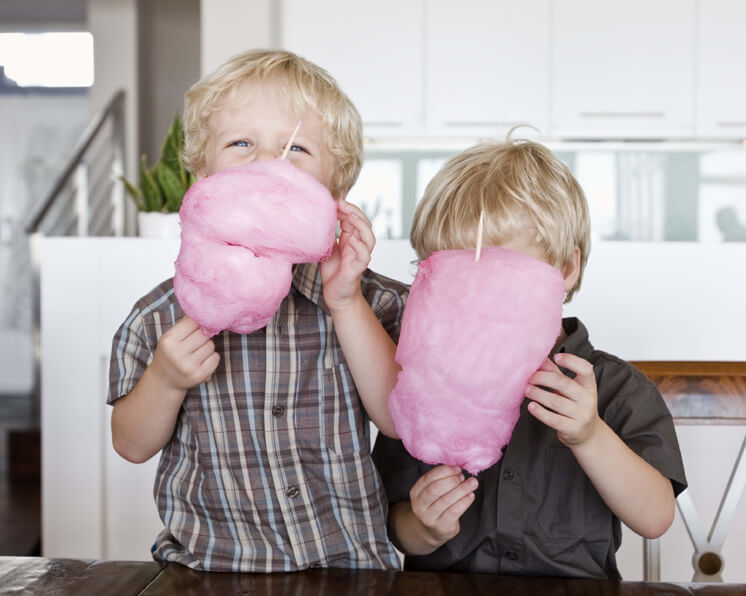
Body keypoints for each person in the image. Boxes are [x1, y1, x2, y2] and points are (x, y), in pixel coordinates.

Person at [107, 49, 407, 572]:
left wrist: (346, 302)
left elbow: (400, 419)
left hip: (349, 567)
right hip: (209, 568)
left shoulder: (372, 302)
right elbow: (131, 445)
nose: (269, 163)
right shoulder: (158, 316)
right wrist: (166, 377)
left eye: (297, 148)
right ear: (201, 175)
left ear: (337, 188)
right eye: (241, 143)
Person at [372, 139, 688, 579]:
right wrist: (425, 528)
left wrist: (590, 436)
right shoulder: (419, 385)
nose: (476, 295)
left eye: (501, 272)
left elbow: (654, 518)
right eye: (456, 273)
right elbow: (395, 524)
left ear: (566, 269)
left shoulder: (617, 389)